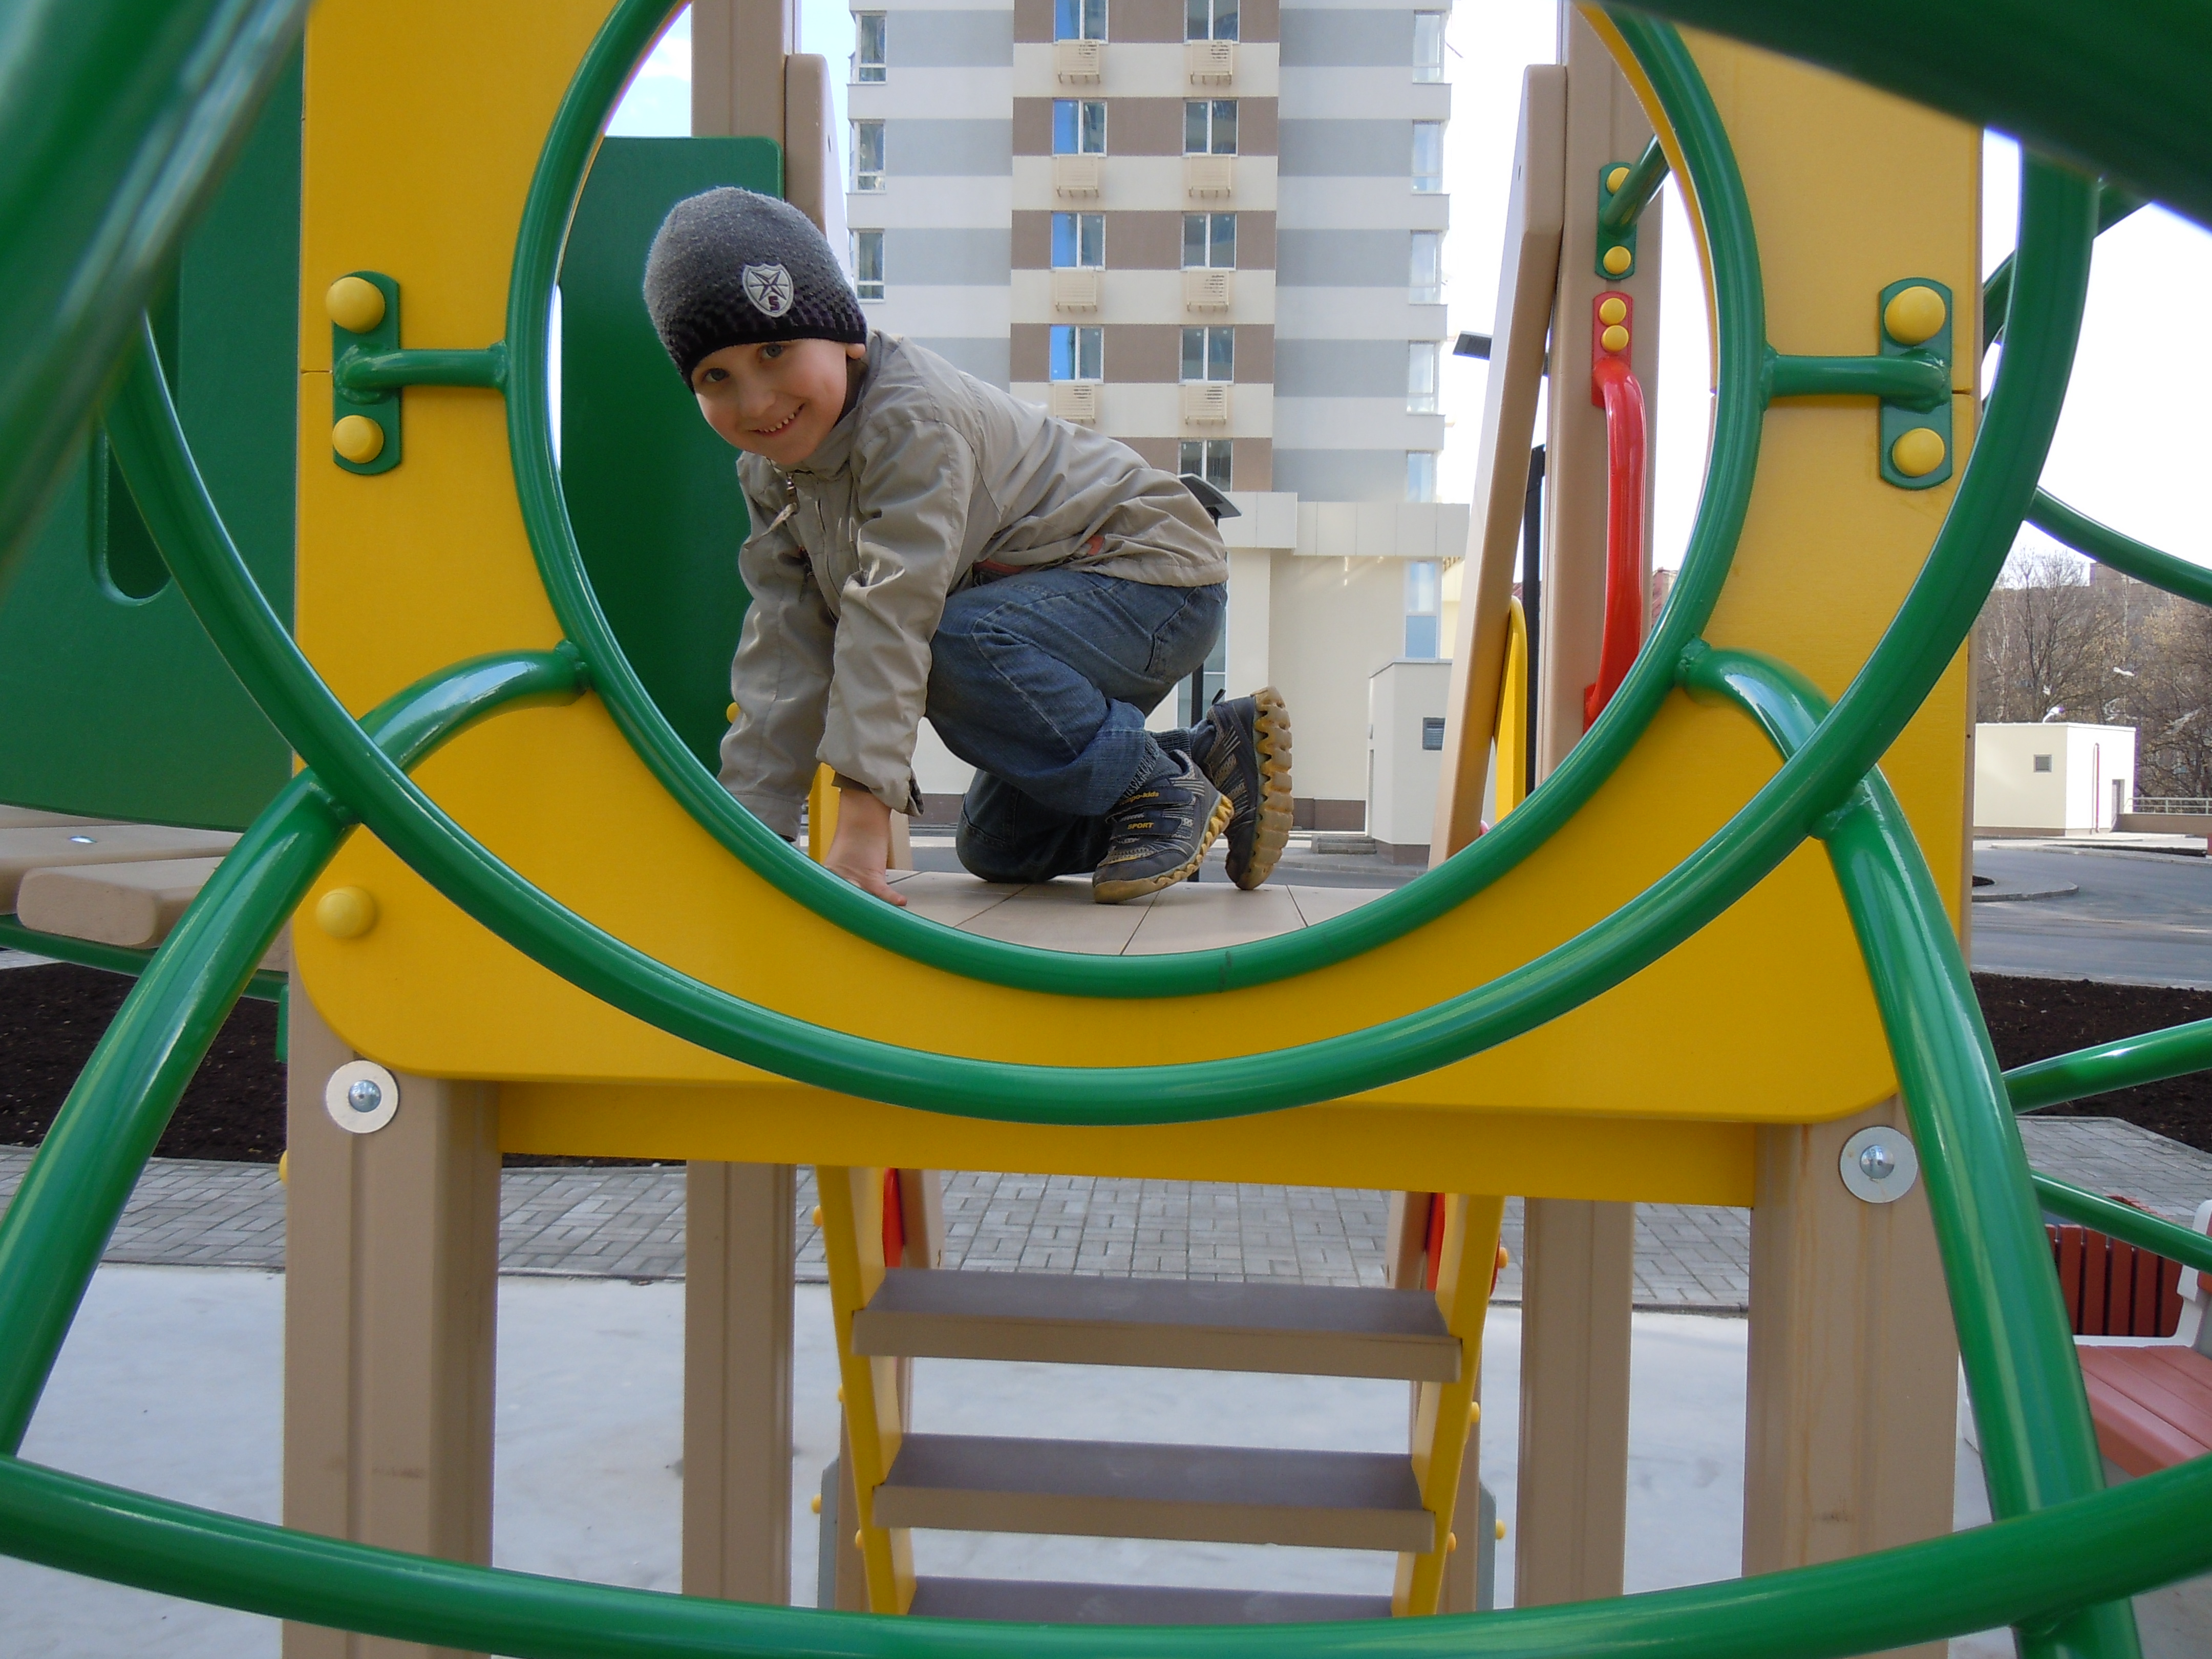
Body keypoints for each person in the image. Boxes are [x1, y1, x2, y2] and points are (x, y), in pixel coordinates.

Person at [643, 186, 1292, 905]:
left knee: (948, 643)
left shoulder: (910, 422)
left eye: (774, 350)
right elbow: (784, 653)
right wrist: (747, 838)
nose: (757, 401)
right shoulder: (774, 474)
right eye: (716, 377)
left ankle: (1156, 785)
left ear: (845, 335)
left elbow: (894, 618)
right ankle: (1210, 756)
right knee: (999, 844)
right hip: (1042, 617)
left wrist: (860, 836)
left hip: (1148, 577)